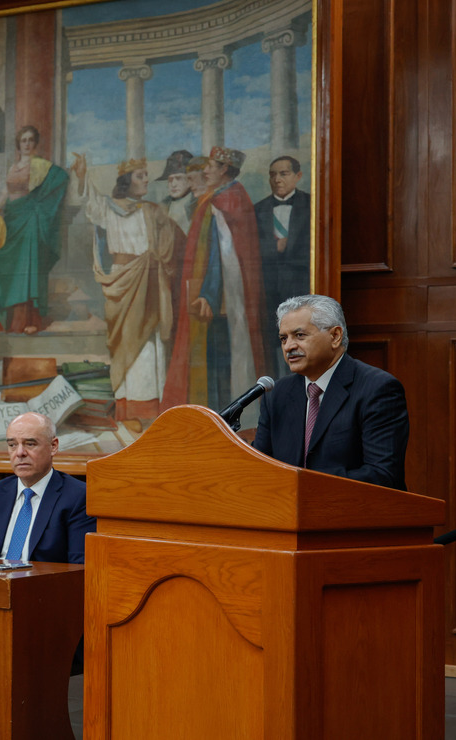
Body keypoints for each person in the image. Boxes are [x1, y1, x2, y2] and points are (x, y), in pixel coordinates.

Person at [252, 295, 409, 490]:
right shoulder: (277, 394)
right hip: (285, 514)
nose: (288, 346)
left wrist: (302, 485)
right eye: (284, 338)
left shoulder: (377, 388)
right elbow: (257, 466)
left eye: (299, 335)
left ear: (335, 336)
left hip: (355, 514)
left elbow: (382, 475)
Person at [68, 154, 183, 420]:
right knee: (125, 343)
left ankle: (150, 407)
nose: (145, 180)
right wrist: (83, 175)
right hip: (123, 280)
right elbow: (90, 201)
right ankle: (129, 408)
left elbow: (171, 240)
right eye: (140, 175)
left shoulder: (152, 210)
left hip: (150, 281)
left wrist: (161, 259)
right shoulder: (108, 208)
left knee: (150, 344)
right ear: (126, 180)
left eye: (146, 175)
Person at [164, 146, 267, 417]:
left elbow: (219, 253)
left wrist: (208, 294)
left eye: (211, 165)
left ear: (224, 169)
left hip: (227, 296)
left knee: (225, 355)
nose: (206, 170)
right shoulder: (225, 197)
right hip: (224, 293)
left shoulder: (226, 200)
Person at [0, 412, 97, 563]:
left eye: (30, 444)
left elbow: (79, 568)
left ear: (53, 446)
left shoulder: (78, 497)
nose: (20, 453)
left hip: (42, 585)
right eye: (12, 445)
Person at [0, 125, 68, 335]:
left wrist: (37, 206)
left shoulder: (41, 166)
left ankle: (29, 320)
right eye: (23, 140)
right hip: (11, 220)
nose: (27, 144)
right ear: (18, 145)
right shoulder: (13, 167)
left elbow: (61, 178)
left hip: (29, 221)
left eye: (30, 140)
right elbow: (4, 195)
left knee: (27, 268)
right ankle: (7, 318)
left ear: (35, 144)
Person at [255, 156, 311, 377]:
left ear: (298, 176)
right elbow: (251, 249)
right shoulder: (258, 209)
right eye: (272, 174)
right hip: (269, 290)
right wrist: (275, 247)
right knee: (273, 343)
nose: (277, 179)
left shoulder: (312, 204)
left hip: (301, 286)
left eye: (283, 173)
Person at [158, 149, 195, 235]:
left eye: (178, 178)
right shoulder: (163, 206)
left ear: (190, 180)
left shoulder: (197, 203)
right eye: (170, 180)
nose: (173, 184)